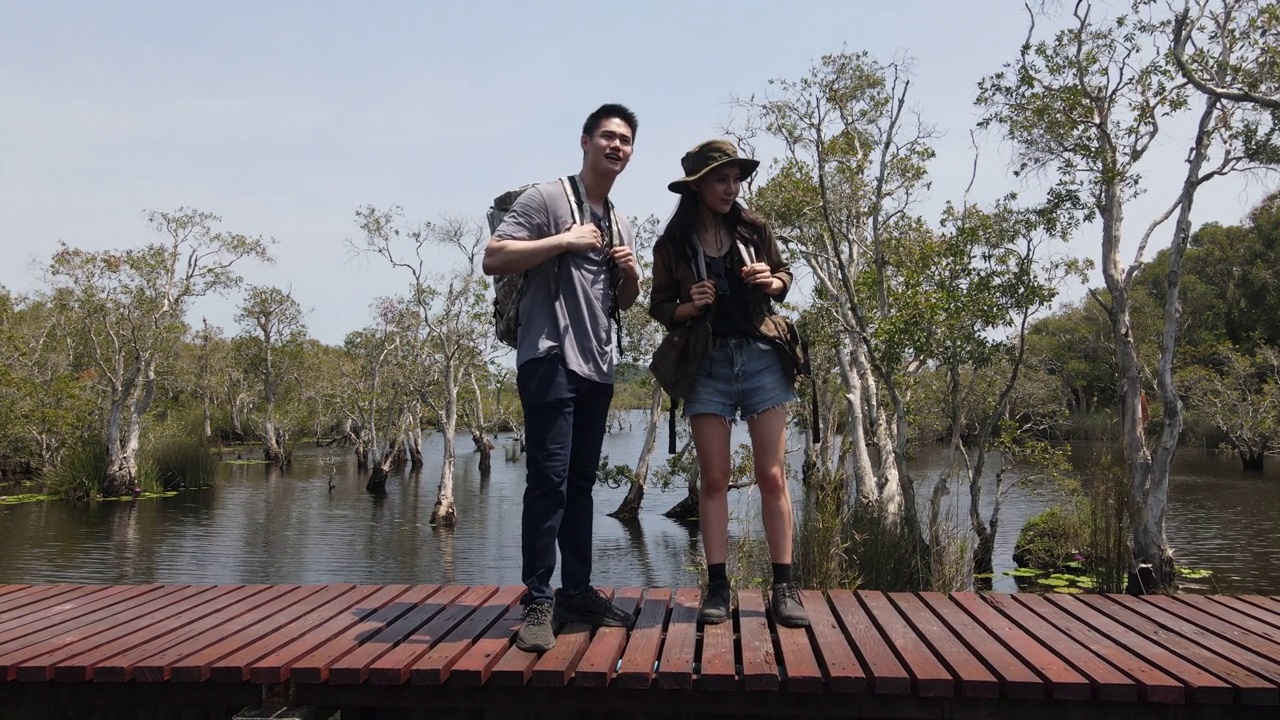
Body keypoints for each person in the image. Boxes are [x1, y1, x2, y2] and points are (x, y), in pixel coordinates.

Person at [481, 103, 642, 652]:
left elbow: (621, 301)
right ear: (585, 141)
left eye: (625, 140)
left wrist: (633, 275)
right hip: (548, 358)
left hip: (598, 366)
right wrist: (564, 241)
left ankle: (576, 589)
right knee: (548, 480)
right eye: (608, 137)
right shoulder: (549, 199)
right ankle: (538, 600)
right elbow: (495, 256)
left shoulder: (617, 217)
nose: (616, 146)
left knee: (580, 485)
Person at [648, 139, 809, 628]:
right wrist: (690, 305)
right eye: (721, 178)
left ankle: (784, 588)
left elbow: (784, 276)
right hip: (707, 364)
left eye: (736, 178)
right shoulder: (673, 243)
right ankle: (718, 588)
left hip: (761, 357)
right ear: (697, 185)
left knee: (772, 476)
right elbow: (660, 309)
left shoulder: (754, 227)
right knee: (714, 481)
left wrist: (771, 280)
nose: (731, 187)